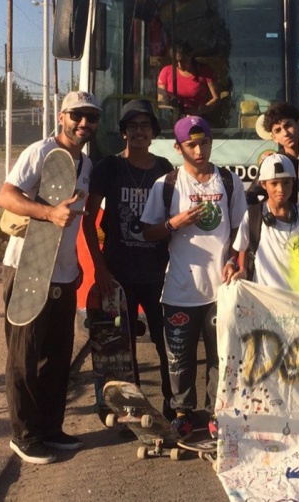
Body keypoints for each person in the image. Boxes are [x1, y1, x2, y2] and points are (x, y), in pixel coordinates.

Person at [0, 90, 101, 464]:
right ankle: (24, 435)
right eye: (77, 116)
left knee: (57, 357)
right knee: (24, 357)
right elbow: (6, 196)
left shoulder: (85, 165)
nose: (84, 124)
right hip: (26, 268)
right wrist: (47, 213)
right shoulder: (38, 152)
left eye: (91, 118)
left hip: (62, 273)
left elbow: (76, 223)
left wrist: (75, 268)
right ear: (62, 116)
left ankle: (50, 429)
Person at [140, 115, 246, 437]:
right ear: (178, 147)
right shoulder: (167, 184)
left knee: (220, 356)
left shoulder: (229, 181)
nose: (199, 151)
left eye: (204, 143)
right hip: (180, 290)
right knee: (180, 357)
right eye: (191, 145)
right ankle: (182, 412)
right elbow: (148, 232)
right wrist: (175, 223)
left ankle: (217, 413)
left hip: (221, 290)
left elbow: (242, 229)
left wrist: (236, 261)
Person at [82, 99, 175, 419]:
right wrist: (100, 268)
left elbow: (174, 219)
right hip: (118, 273)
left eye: (145, 126)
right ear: (123, 133)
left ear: (153, 133)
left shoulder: (165, 168)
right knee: (120, 348)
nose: (139, 132)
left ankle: (173, 404)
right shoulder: (108, 167)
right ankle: (127, 408)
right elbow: (88, 220)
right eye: (132, 126)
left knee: (168, 342)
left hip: (158, 273)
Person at [230, 153, 299, 293]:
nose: (281, 189)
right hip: (265, 298)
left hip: (298, 299)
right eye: (274, 183)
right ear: (263, 184)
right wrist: (242, 269)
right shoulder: (253, 215)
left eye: (286, 182)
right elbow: (243, 246)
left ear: (293, 182)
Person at [157, 41, 220, 116]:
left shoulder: (204, 72)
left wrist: (200, 111)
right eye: (176, 62)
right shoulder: (166, 72)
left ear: (190, 56)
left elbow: (216, 98)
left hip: (200, 118)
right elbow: (161, 100)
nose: (180, 65)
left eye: (183, 61)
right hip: (173, 118)